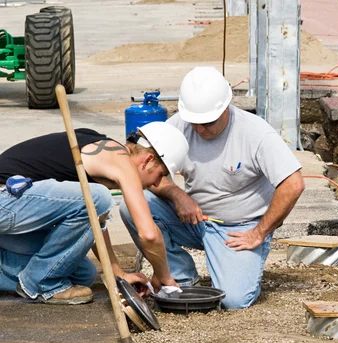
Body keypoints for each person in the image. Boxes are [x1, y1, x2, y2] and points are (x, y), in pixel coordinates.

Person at [120, 66, 305, 310]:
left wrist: (259, 232)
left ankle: (237, 263)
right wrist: (178, 195)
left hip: (237, 229)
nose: (199, 129)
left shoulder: (255, 133)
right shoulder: (179, 126)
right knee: (131, 205)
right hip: (193, 220)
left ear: (225, 107)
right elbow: (148, 170)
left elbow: (293, 183)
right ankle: (180, 276)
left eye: (207, 123)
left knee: (233, 301)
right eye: (194, 122)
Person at [0, 122, 189, 304]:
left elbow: (94, 223)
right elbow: (149, 234)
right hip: (5, 199)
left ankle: (24, 274)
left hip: (15, 212)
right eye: (160, 174)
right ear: (147, 161)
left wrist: (117, 273)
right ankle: (39, 283)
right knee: (99, 197)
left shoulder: (100, 153)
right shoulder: (121, 161)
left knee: (82, 273)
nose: (157, 184)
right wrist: (164, 276)